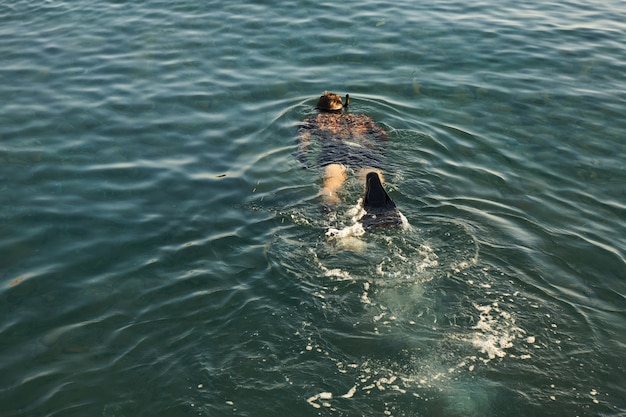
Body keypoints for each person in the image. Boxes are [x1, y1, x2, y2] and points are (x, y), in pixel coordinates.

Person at [296, 91, 401, 229]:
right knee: (372, 177)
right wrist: (381, 151)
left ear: (319, 109)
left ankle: (331, 220)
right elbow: (382, 134)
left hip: (334, 151)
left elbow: (302, 142)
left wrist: (302, 157)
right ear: (342, 107)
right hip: (363, 151)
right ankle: (379, 208)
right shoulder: (361, 118)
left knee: (331, 186)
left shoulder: (313, 120)